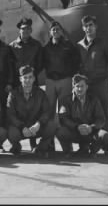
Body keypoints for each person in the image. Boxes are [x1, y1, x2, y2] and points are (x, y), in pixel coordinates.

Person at [77, 15, 108, 155]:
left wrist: (106, 80)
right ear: (83, 28)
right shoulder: (79, 46)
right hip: (87, 86)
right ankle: (85, 146)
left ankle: (107, 147)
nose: (88, 28)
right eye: (86, 26)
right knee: (86, 114)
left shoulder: (104, 44)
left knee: (105, 114)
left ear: (96, 27)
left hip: (101, 85)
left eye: (91, 25)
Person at [43, 21, 80, 151]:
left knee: (64, 112)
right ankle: (49, 143)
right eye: (53, 29)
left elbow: (76, 61)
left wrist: (72, 75)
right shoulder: (46, 48)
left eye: (58, 29)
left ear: (61, 31)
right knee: (49, 112)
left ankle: (66, 143)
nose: (55, 31)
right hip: (51, 81)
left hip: (65, 80)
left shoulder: (69, 46)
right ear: (50, 32)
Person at [6, 65, 56, 158]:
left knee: (52, 125)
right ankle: (16, 146)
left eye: (30, 77)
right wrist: (22, 127)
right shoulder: (13, 94)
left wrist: (39, 124)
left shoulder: (40, 93)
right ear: (20, 79)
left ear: (34, 79)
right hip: (21, 128)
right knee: (11, 132)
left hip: (35, 128)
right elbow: (10, 114)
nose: (28, 80)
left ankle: (41, 148)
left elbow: (46, 111)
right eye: (25, 78)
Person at [9, 17, 43, 151]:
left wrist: (31, 77)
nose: (26, 31)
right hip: (17, 84)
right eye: (23, 29)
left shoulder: (37, 45)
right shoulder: (12, 46)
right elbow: (10, 66)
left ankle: (33, 143)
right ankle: (15, 144)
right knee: (17, 111)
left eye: (28, 29)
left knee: (33, 111)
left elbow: (40, 64)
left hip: (32, 83)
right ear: (19, 29)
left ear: (31, 30)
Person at [56, 74, 108, 158]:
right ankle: (68, 151)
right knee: (60, 132)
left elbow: (101, 119)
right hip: (74, 132)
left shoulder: (94, 100)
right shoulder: (66, 100)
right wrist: (77, 126)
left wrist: (91, 127)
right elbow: (63, 118)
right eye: (77, 86)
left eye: (82, 86)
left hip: (90, 132)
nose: (80, 89)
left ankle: (92, 151)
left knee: (105, 136)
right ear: (73, 87)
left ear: (87, 87)